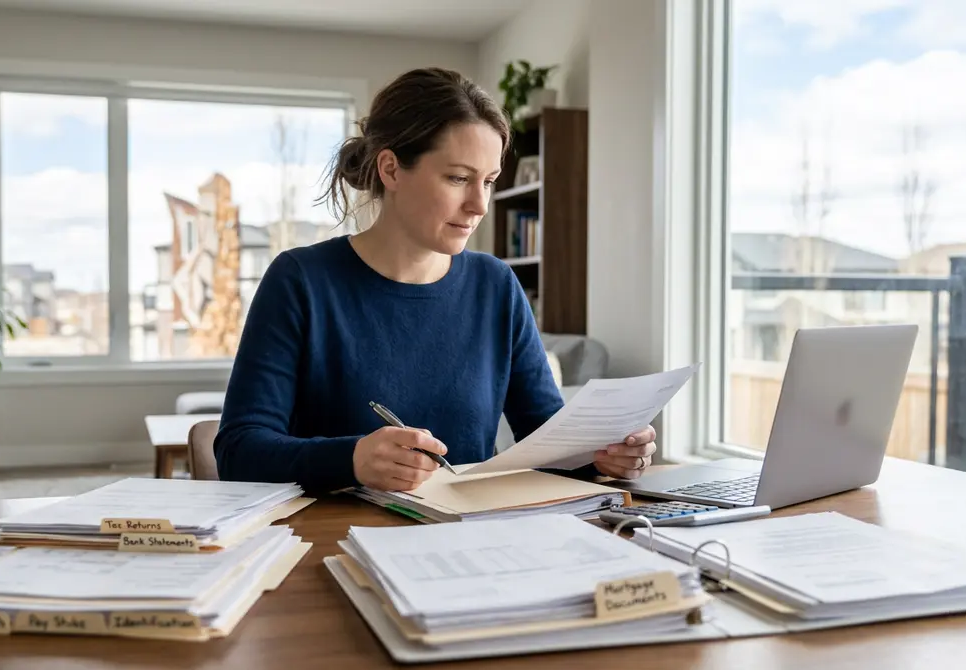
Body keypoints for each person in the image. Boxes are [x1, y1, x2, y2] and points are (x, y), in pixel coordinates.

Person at [213, 67, 656, 494]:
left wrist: (603, 455)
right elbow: (239, 452)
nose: (479, 205)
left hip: (473, 531)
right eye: (458, 178)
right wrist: (352, 459)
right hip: (338, 535)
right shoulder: (299, 281)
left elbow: (550, 444)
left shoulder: (496, 286)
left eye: (489, 181)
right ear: (390, 170)